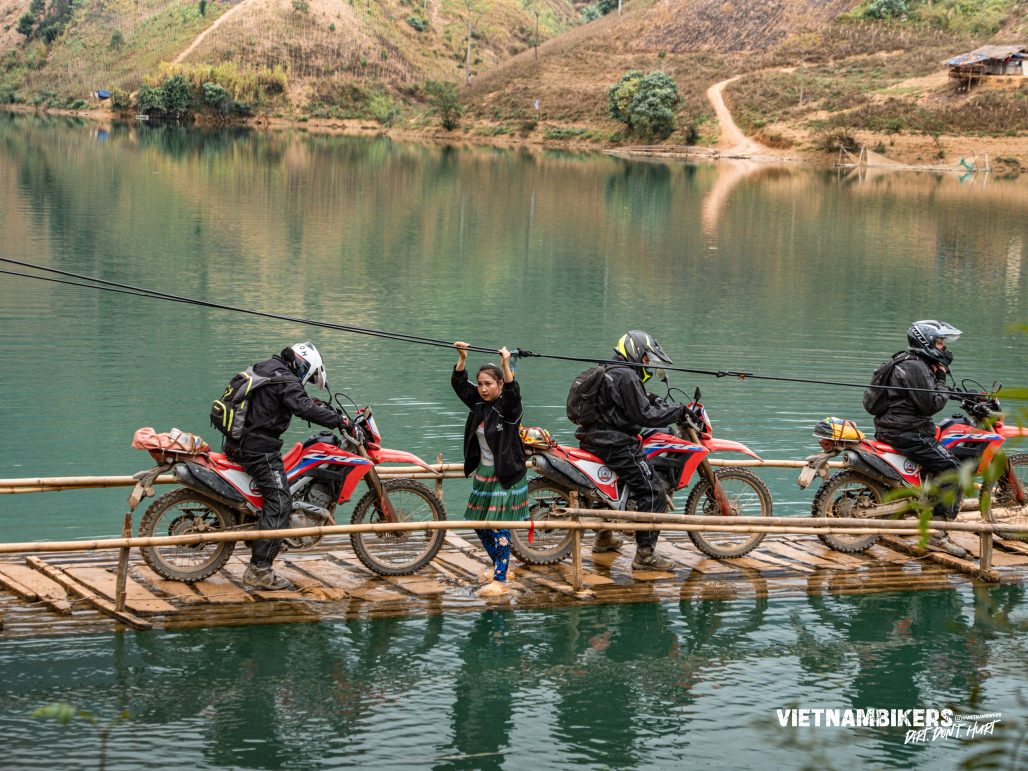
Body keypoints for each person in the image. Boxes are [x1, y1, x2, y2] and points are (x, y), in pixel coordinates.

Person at [227, 341, 351, 590]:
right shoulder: (287, 381)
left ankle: (261, 536)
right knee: (280, 501)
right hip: (258, 450)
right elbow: (303, 407)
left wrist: (317, 405)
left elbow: (295, 401)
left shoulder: (270, 368)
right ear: (304, 364)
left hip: (241, 443)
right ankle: (259, 571)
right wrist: (340, 421)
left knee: (276, 494)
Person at [575, 330, 692, 571]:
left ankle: (604, 537)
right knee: (653, 491)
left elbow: (625, 401)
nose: (647, 363)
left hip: (594, 437)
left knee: (611, 486)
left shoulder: (610, 368)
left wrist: (653, 398)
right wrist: (677, 411)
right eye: (647, 358)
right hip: (615, 443)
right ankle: (645, 557)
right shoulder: (626, 375)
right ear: (636, 352)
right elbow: (643, 415)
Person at [866, 320, 967, 558]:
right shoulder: (917, 367)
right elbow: (931, 404)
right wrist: (941, 378)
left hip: (888, 429)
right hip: (909, 433)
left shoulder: (903, 361)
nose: (944, 347)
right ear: (927, 342)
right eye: (940, 342)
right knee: (953, 468)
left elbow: (916, 397)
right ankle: (937, 532)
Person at [452, 341, 528, 598]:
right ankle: (500, 565)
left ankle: (501, 579)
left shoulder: (508, 408)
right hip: (484, 473)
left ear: (500, 385)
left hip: (506, 475)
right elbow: (461, 386)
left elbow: (514, 392)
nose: (483, 389)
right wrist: (462, 358)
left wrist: (506, 364)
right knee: (477, 523)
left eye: (489, 384)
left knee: (499, 526)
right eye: (480, 383)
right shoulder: (479, 404)